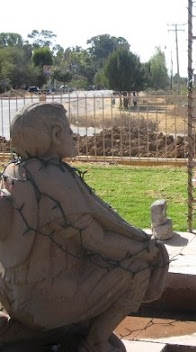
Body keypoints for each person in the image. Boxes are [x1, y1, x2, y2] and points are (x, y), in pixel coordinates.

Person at [0, 103, 169, 352]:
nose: (74, 135)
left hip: (13, 296)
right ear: (56, 135)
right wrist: (143, 249)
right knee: (136, 271)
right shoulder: (55, 179)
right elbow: (96, 240)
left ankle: (35, 330)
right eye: (69, 131)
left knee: (92, 265)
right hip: (46, 301)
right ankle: (95, 341)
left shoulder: (12, 171)